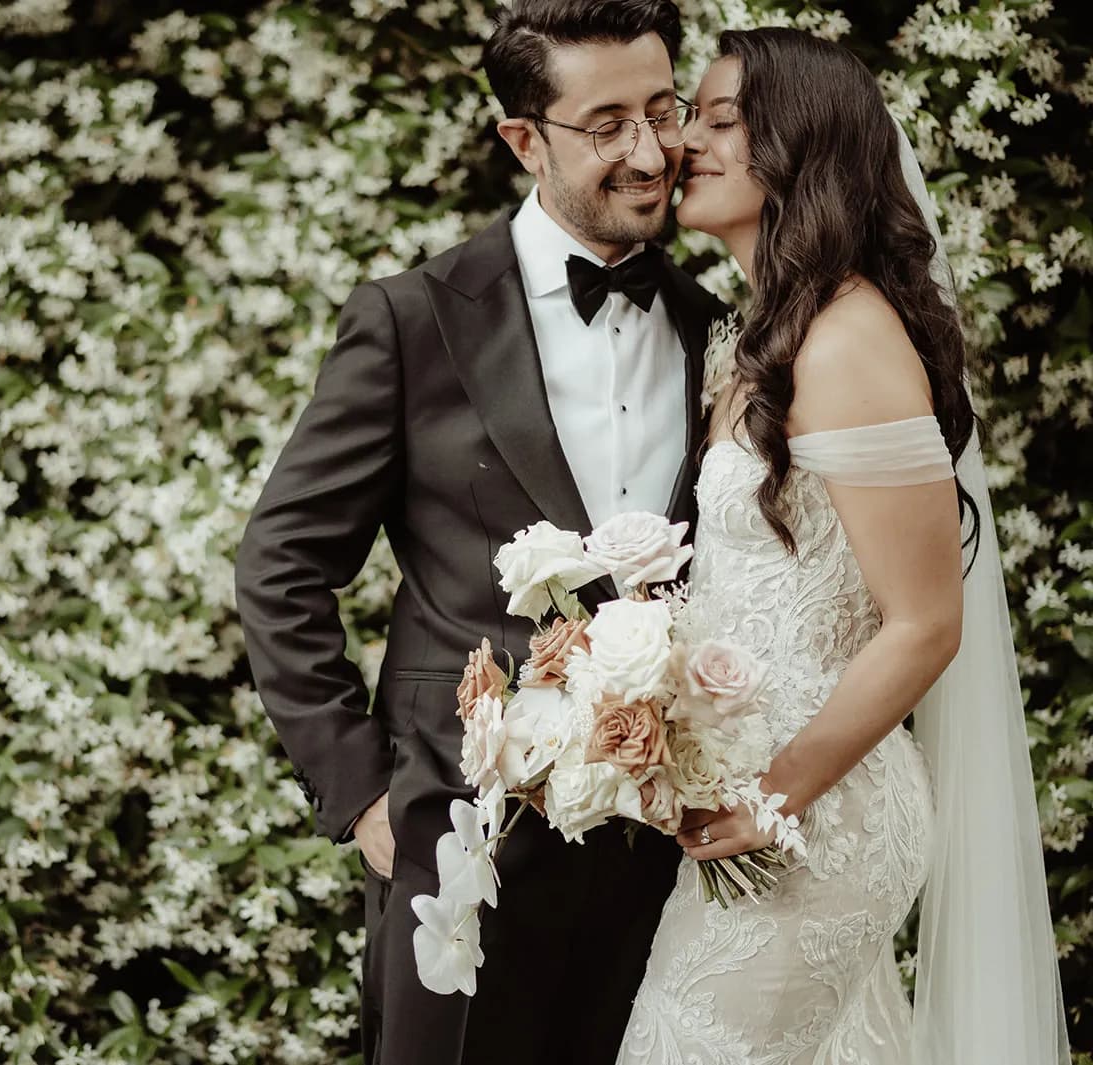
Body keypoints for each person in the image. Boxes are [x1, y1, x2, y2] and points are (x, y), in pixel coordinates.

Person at [234, 2, 726, 1061]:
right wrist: (362, 789)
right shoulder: (412, 320)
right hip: (460, 833)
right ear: (522, 140)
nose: (649, 152)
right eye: (606, 124)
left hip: (660, 850)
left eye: (662, 109)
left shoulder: (712, 328)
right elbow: (281, 565)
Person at [615, 28, 1071, 1065]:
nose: (685, 140)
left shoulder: (847, 338)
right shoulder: (769, 332)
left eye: (721, 120)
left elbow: (922, 624)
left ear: (800, 146)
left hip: (818, 817)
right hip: (760, 808)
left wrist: (778, 790)